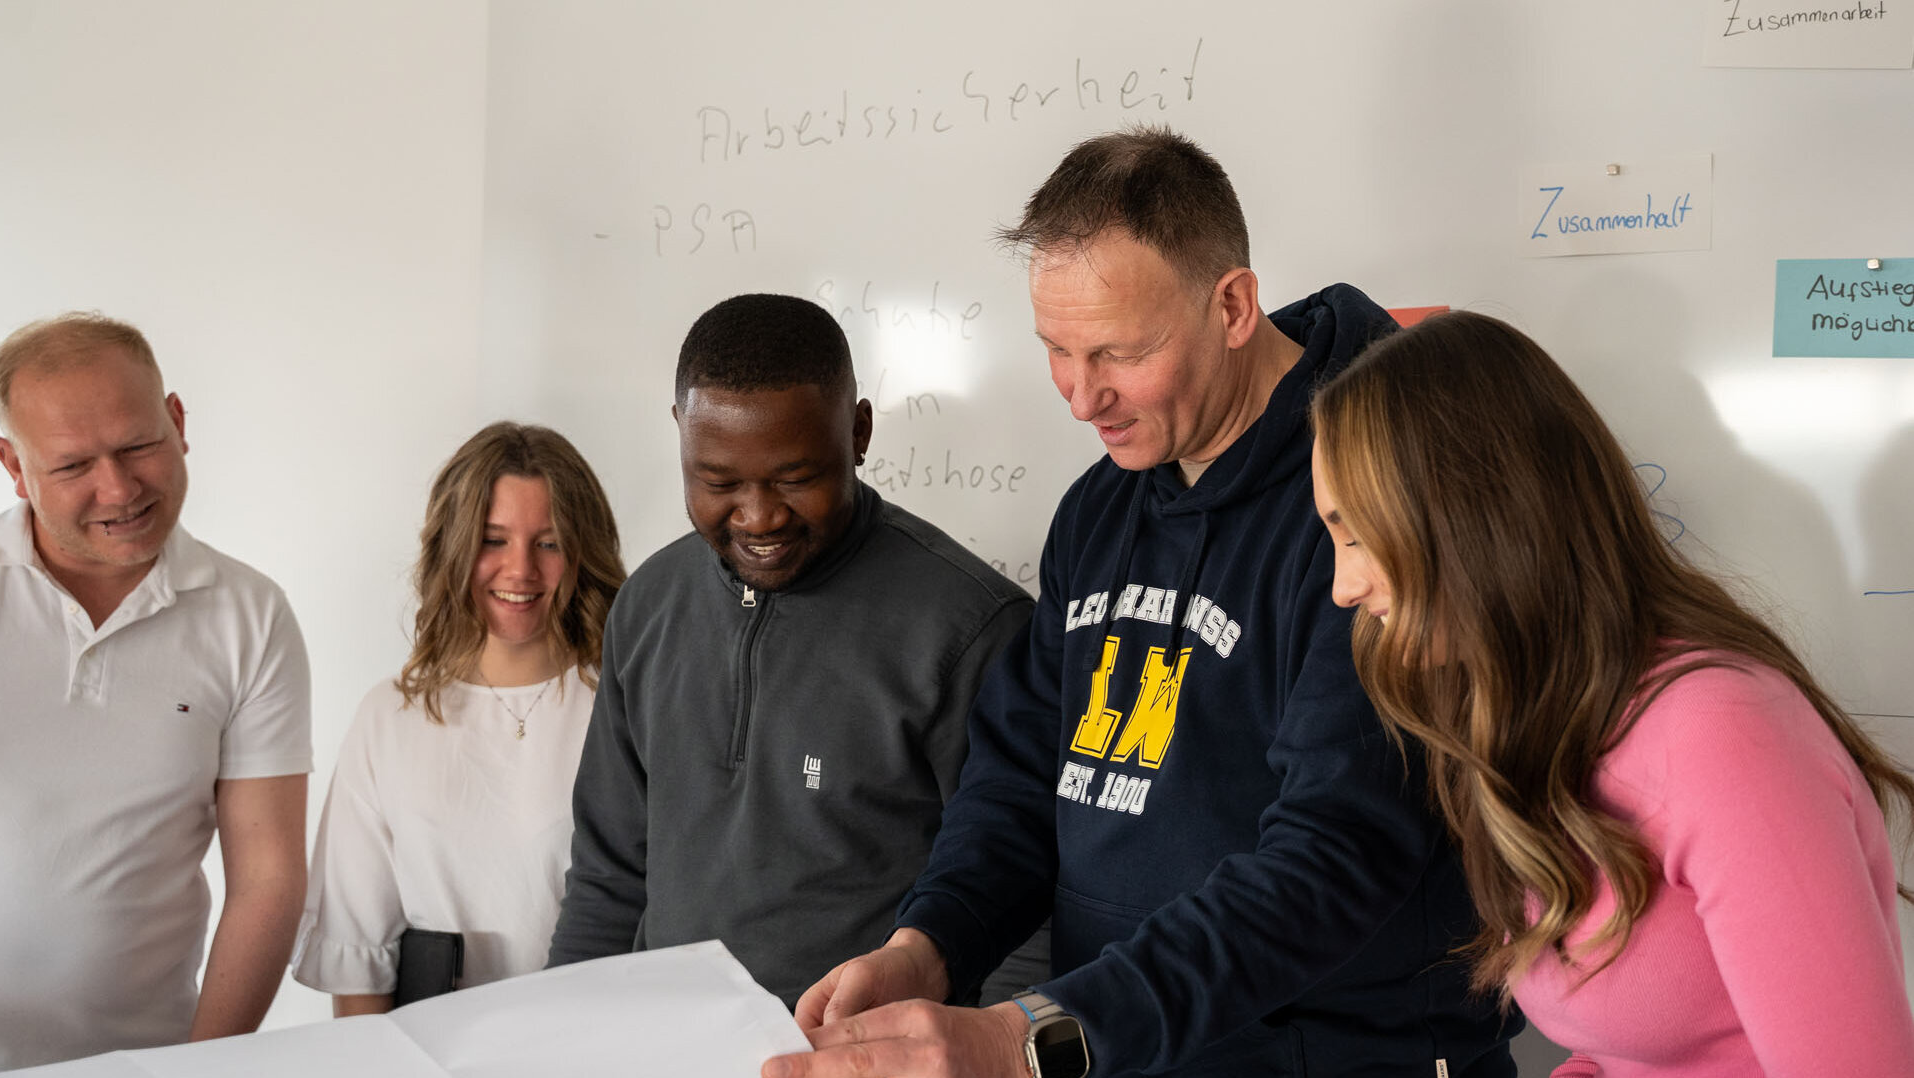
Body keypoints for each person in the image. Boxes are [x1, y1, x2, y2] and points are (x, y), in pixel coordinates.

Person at [774, 129, 1516, 1078]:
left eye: (1120, 352)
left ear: (1234, 305)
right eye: (1056, 351)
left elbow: (1333, 856)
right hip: (1116, 1052)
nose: (1083, 400)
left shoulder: (1374, 508)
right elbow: (1020, 777)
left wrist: (1026, 1035)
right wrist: (931, 946)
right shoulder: (1099, 507)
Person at [1308, 310, 1914, 1078]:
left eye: (1357, 534)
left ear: (1473, 518)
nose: (1342, 586)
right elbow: (1623, 1047)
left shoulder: (1721, 736)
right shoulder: (1532, 714)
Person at [547, 292, 1039, 1009]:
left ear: (859, 432)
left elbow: (1024, 902)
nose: (758, 516)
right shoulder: (648, 606)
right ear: (680, 434)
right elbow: (609, 874)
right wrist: (563, 1037)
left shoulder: (971, 631)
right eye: (718, 482)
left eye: (795, 479)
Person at [0, 313, 310, 1069]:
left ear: (176, 422)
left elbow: (266, 878)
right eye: (73, 466)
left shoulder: (250, 616)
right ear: (12, 465)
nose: (119, 487)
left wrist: (202, 1068)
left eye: (138, 445)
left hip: (147, 1058)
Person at [292, 422, 626, 1014]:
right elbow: (360, 966)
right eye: (493, 540)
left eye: (547, 543)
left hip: (595, 1045)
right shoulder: (389, 719)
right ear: (454, 547)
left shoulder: (625, 706)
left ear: (581, 551)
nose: (520, 571)